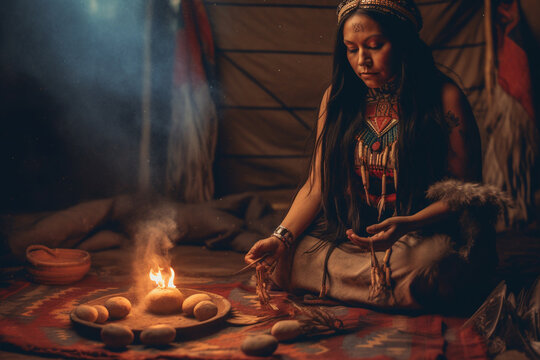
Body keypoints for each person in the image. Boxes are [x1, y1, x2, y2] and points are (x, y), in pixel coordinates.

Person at [245, 0, 506, 311]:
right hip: (355, 237)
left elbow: (464, 195)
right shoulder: (339, 97)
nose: (361, 61)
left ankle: (365, 283)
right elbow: (317, 184)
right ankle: (380, 289)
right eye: (351, 49)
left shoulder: (443, 98)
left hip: (420, 234)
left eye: (374, 46)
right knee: (286, 256)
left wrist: (408, 224)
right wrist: (280, 238)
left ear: (404, 43)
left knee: (425, 265)